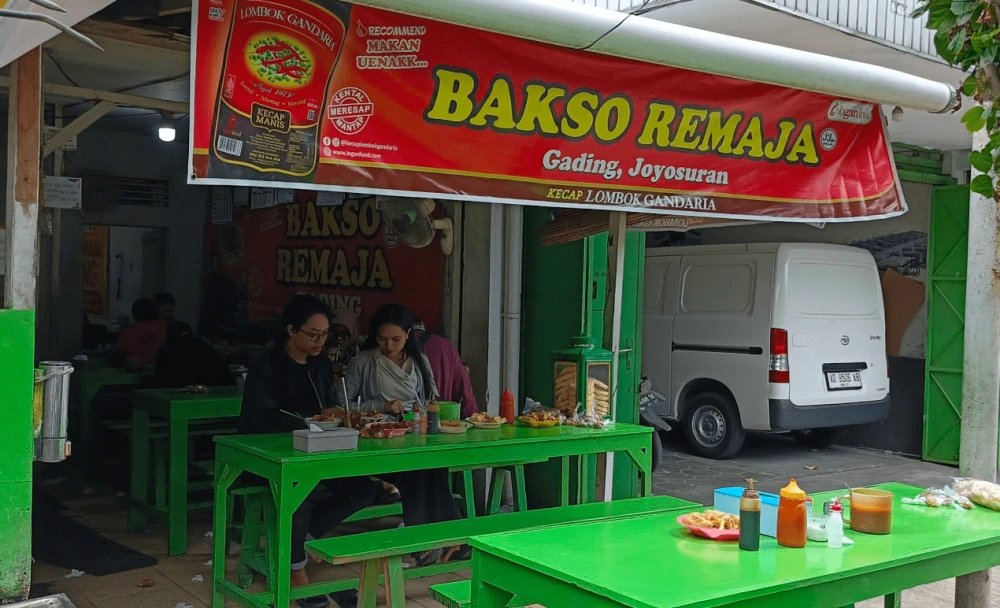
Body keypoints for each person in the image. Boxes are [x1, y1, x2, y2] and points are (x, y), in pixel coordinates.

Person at [239, 295, 379, 608]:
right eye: (313, 335)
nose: (320, 342)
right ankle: (295, 573)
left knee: (364, 489)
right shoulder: (267, 364)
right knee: (298, 497)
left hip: (313, 452)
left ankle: (302, 542)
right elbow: (261, 417)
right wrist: (307, 420)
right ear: (291, 330)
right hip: (269, 454)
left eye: (324, 335)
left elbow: (326, 406)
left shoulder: (320, 364)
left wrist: (335, 414)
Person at [339, 304, 468, 564]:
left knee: (433, 466)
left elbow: (432, 399)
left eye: (396, 339)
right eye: (382, 339)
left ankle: (448, 539)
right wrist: (381, 406)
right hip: (377, 442)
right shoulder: (364, 363)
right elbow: (341, 405)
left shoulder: (420, 361)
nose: (388, 345)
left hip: (415, 436)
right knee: (415, 472)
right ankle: (427, 542)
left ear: (408, 335)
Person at [411, 319, 478, 418]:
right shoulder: (444, 346)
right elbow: (467, 398)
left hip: (400, 422)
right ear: (421, 323)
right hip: (441, 420)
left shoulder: (392, 347)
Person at [154, 321, 233, 388]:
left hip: (176, 394)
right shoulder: (203, 345)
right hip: (211, 392)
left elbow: (161, 378)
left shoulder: (166, 351)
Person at [114, 297, 167, 370]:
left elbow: (117, 356)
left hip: (133, 374)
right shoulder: (167, 330)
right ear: (156, 312)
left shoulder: (128, 334)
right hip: (162, 374)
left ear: (134, 314)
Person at [326, 308, 361, 382]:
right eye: (335, 333)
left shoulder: (361, 354)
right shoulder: (322, 350)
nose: (339, 338)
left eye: (344, 334)